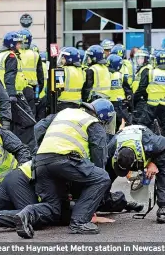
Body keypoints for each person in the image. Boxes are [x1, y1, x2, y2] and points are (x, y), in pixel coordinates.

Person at [33, 99, 114, 234]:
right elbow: (99, 157)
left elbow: (38, 127)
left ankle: (24, 216)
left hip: (41, 160)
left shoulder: (65, 112)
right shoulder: (93, 123)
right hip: (64, 160)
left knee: (54, 207)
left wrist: (41, 147)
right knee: (102, 178)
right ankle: (79, 222)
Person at [110, 124, 165, 223]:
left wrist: (154, 163)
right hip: (124, 137)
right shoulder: (111, 147)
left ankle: (164, 208)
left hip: (143, 138)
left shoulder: (151, 144)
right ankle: (102, 201)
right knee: (103, 175)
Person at [0, 31, 36, 152]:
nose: (20, 46)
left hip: (3, 95)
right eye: (18, 43)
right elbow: (9, 76)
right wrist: (12, 94)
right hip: (14, 95)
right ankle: (28, 151)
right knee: (28, 123)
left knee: (14, 124)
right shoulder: (11, 56)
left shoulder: (0, 56)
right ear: (11, 44)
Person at [135, 51, 165, 136]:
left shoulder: (151, 72)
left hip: (151, 105)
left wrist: (144, 98)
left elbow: (142, 88)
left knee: (143, 127)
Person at [17, 29, 44, 118]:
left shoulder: (13, 54)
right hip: (30, 90)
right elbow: (40, 78)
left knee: (17, 117)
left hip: (16, 90)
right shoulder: (35, 55)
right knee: (30, 117)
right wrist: (36, 94)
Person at [107, 54, 132, 130]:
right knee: (125, 126)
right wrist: (131, 107)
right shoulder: (121, 76)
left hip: (109, 104)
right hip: (120, 106)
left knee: (111, 128)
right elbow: (128, 91)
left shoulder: (105, 75)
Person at [57, 47, 85, 112]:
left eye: (63, 58)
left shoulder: (62, 71)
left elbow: (58, 90)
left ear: (69, 59)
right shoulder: (81, 71)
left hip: (63, 104)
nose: (61, 60)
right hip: (77, 104)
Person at [131, 49, 152, 125]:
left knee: (139, 121)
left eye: (141, 58)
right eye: (138, 58)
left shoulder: (146, 69)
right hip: (139, 98)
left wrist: (135, 97)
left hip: (142, 99)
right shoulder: (141, 69)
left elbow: (142, 87)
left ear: (146, 59)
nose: (139, 60)